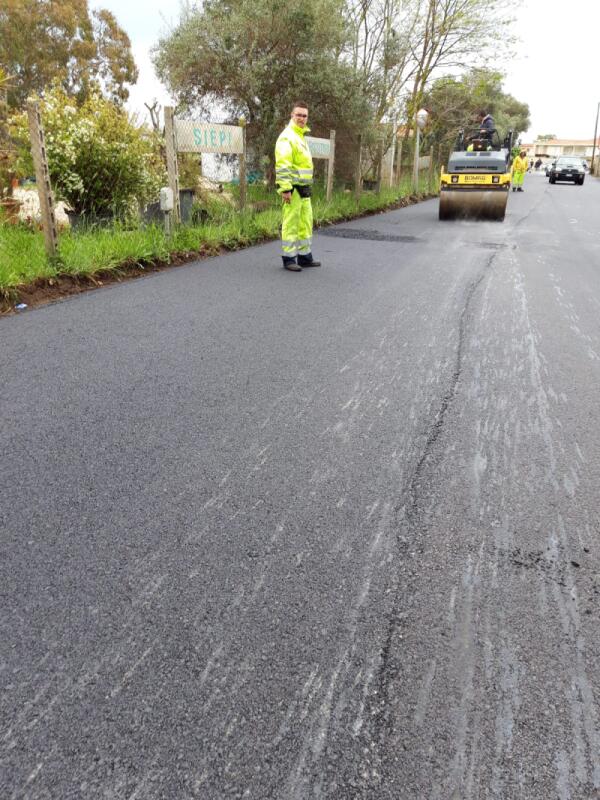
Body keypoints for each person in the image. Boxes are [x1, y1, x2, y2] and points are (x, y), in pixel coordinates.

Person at [275, 102, 321, 272]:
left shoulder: (300, 137)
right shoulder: (287, 137)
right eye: (299, 115)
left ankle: (304, 257)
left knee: (305, 223)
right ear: (292, 115)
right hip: (293, 190)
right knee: (291, 224)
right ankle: (289, 259)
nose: (302, 118)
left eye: (304, 115)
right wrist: (285, 188)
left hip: (304, 190)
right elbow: (283, 164)